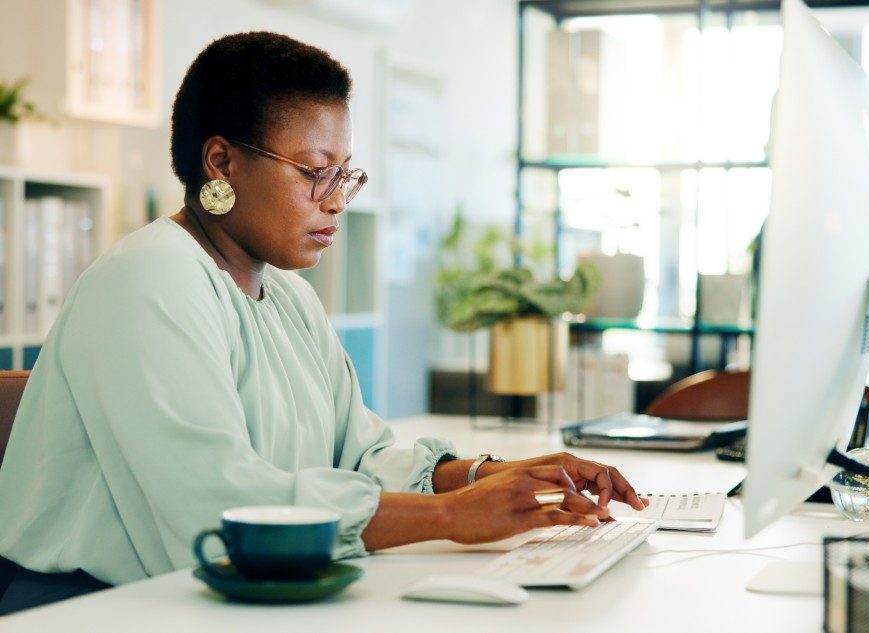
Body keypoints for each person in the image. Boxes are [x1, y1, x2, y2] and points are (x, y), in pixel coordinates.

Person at [0, 32, 646, 615]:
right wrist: (449, 513)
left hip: (219, 593)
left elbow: (359, 455)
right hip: (93, 606)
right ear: (221, 162)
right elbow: (220, 503)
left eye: (346, 173)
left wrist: (492, 476)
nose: (336, 198)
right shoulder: (146, 279)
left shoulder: (286, 292)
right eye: (315, 172)